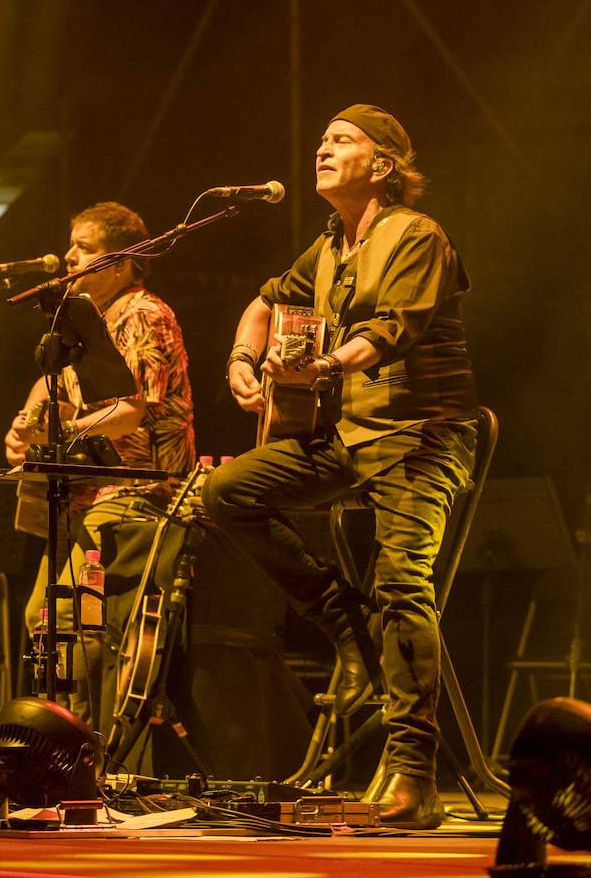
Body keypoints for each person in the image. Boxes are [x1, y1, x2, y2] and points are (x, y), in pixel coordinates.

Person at [202, 104, 479, 829]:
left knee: (402, 581)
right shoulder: (328, 245)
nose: (321, 147)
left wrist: (323, 362)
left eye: (341, 139)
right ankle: (344, 626)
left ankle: (416, 775)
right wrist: (239, 358)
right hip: (347, 433)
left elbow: (393, 329)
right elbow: (266, 300)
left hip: (422, 432)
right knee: (226, 493)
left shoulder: (416, 235)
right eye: (321, 138)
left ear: (382, 163)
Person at [4, 202, 196, 740]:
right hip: (92, 494)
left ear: (119, 263)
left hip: (141, 491)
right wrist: (25, 423)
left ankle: (84, 749)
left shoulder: (141, 314)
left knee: (72, 617)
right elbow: (51, 384)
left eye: (83, 248)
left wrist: (61, 433)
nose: (68, 256)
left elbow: (132, 408)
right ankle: (60, 740)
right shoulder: (89, 320)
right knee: (44, 617)